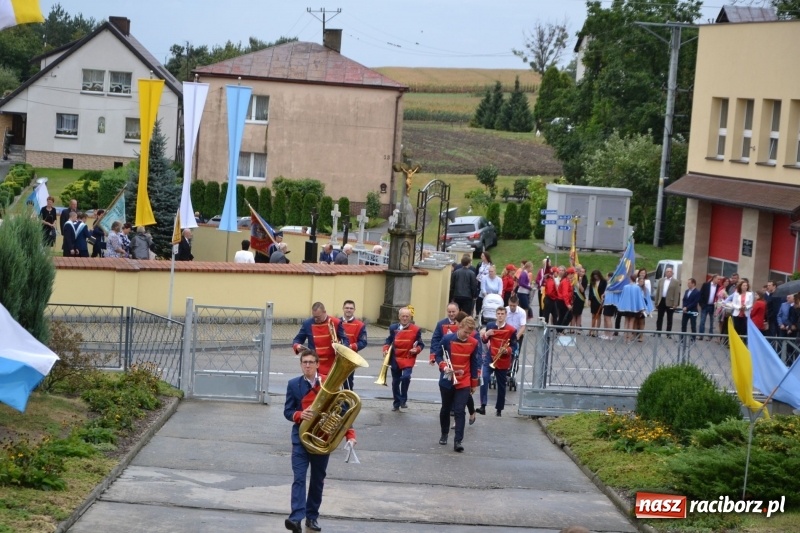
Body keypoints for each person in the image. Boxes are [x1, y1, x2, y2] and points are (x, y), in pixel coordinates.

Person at [283, 349, 356, 533]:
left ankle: (312, 517)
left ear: (317, 364)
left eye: (310, 362)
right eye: (304, 362)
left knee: (317, 481)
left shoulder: (329, 383)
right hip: (301, 439)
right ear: (301, 365)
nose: (307, 365)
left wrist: (350, 435)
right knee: (299, 479)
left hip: (322, 438)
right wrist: (299, 414)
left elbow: (342, 412)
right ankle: (296, 519)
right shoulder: (293, 384)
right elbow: (288, 411)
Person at [435, 316, 480, 452]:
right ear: (459, 327)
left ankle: (458, 441)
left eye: (469, 333)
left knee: (460, 410)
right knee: (446, 408)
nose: (467, 335)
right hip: (447, 378)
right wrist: (443, 366)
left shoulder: (474, 342)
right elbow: (438, 355)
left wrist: (473, 383)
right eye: (465, 332)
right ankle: (444, 433)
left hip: (464, 379)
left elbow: (474, 363)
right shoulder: (447, 339)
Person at [382, 307, 423, 411]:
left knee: (406, 377)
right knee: (395, 382)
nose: (405, 318)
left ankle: (403, 399)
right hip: (395, 358)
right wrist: (385, 348)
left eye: (407, 316)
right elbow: (389, 340)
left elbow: (421, 344)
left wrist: (416, 349)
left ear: (410, 317)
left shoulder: (416, 329)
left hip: (408, 358)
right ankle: (396, 403)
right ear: (399, 317)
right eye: (403, 316)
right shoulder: (393, 328)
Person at [479, 307, 517, 416]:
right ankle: (483, 406)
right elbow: (484, 341)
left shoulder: (511, 330)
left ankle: (499, 409)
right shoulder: (490, 325)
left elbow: (514, 346)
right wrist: (486, 335)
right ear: (496, 315)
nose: (500, 316)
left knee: (501, 385)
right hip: (490, 357)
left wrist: (507, 350)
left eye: (502, 314)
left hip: (503, 360)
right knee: (484, 378)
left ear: (505, 315)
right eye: (498, 314)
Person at [292, 302, 347, 376]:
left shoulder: (336, 322)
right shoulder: (307, 323)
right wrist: (297, 346)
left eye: (318, 317)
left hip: (332, 362)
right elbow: (297, 339)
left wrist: (341, 348)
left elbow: (345, 340)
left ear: (324, 312)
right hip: (314, 362)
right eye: (314, 317)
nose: (316, 319)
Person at [340, 300, 367, 390]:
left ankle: (347, 398)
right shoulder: (336, 322)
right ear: (343, 309)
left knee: (348, 382)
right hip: (336, 357)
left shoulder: (360, 325)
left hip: (350, 357)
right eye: (347, 308)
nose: (349, 310)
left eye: (351, 308)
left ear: (354, 310)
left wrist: (351, 347)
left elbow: (363, 342)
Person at [655, 267, 681, 336]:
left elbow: (676, 293)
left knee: (669, 318)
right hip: (661, 300)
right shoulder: (661, 280)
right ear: (665, 273)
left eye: (670, 271)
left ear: (672, 273)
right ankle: (658, 331)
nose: (669, 273)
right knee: (659, 317)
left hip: (670, 302)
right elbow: (658, 291)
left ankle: (668, 333)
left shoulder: (676, 282)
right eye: (667, 271)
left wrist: (675, 304)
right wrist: (656, 302)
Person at [698, 274, 719, 339]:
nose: (719, 280)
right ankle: (701, 335)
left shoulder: (718, 287)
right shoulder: (706, 285)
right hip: (705, 305)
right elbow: (700, 294)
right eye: (718, 279)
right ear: (714, 278)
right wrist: (701, 304)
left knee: (712, 322)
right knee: (702, 321)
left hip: (713, 306)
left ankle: (710, 336)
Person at [587, 270, 606, 337]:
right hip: (593, 300)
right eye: (594, 276)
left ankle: (596, 331)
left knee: (598, 315)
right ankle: (592, 330)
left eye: (597, 276)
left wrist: (603, 300)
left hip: (600, 300)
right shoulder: (592, 282)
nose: (596, 277)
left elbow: (604, 290)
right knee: (593, 315)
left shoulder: (604, 282)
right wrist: (589, 300)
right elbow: (590, 291)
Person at [474, 251, 493, 318]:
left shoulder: (491, 265)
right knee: (479, 297)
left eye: (483, 256)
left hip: (487, 283)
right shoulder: (480, 264)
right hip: (480, 282)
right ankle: (477, 312)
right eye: (481, 256)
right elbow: (476, 272)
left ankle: (485, 311)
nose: (481, 257)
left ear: (486, 257)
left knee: (485, 296)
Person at [571, 265, 587, 330]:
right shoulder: (574, 278)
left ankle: (578, 329)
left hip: (580, 298)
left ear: (585, 273)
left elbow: (582, 290)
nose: (581, 273)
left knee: (579, 314)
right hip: (574, 297)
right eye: (580, 271)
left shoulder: (585, 280)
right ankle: (572, 329)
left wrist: (580, 282)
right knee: (573, 313)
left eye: (583, 272)